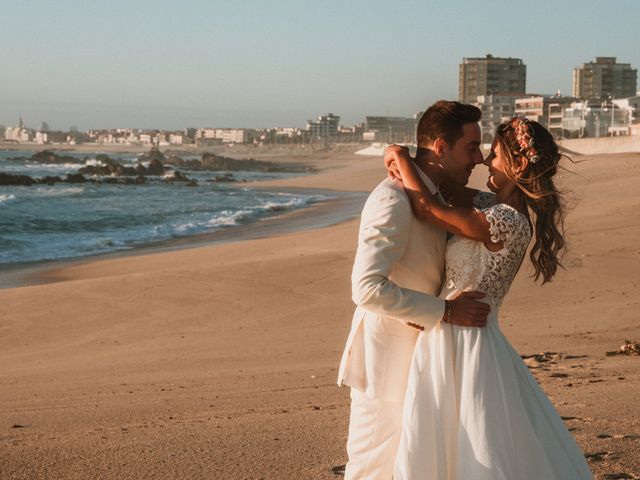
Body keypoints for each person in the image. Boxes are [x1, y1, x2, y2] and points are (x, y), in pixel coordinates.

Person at [384, 117, 593, 479]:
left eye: (494, 155)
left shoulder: (509, 221)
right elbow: (442, 191)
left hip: (469, 342)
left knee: (476, 442)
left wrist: (400, 155)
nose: (483, 161)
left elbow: (430, 209)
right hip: (447, 331)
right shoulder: (488, 205)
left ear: (519, 164)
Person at [337, 101, 492, 480]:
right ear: (440, 147)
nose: (480, 158)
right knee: (372, 470)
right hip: (385, 366)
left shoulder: (437, 198)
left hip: (423, 363)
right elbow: (367, 288)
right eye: (471, 148)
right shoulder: (391, 199)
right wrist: (447, 312)